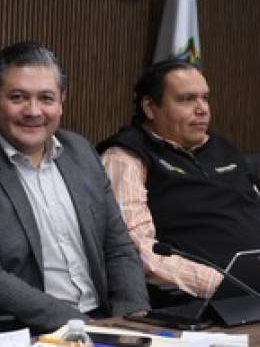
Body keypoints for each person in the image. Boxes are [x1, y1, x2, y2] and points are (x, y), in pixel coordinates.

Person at [0, 41, 149, 335]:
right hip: (28, 334)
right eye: (18, 97)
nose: (33, 111)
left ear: (61, 103)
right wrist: (82, 329)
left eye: (46, 98)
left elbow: (118, 246)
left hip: (104, 324)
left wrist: (132, 319)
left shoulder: (81, 152)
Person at [96, 59, 260, 299]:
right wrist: (225, 284)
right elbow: (136, 249)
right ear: (150, 107)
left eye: (205, 98)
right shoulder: (125, 157)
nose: (202, 109)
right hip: (200, 301)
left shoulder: (222, 148)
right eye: (187, 99)